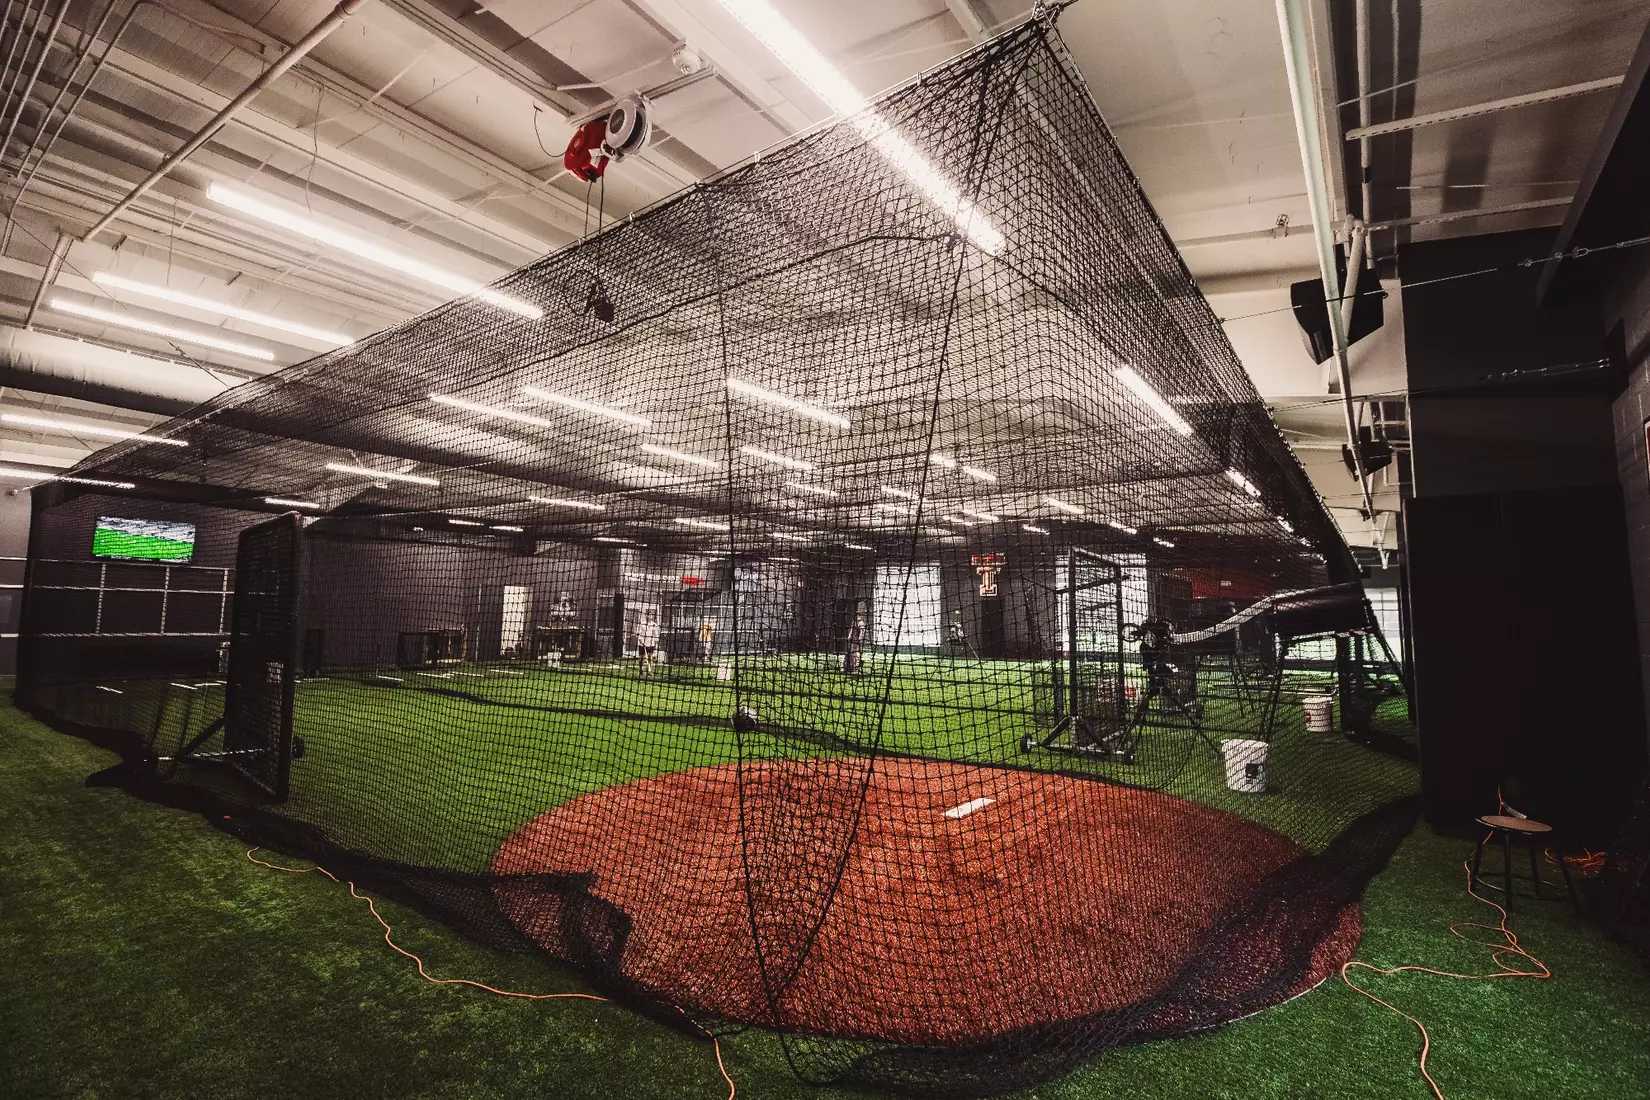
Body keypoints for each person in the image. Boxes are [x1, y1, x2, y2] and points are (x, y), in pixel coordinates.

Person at [637, 609, 660, 678]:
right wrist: (640, 640)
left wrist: (655, 642)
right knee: (641, 658)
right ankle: (640, 669)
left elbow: (656, 635)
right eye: (648, 615)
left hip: (650, 644)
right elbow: (638, 633)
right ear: (646, 616)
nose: (650, 616)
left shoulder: (654, 625)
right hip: (642, 643)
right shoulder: (642, 624)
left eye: (651, 615)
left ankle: (649, 671)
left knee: (650, 657)